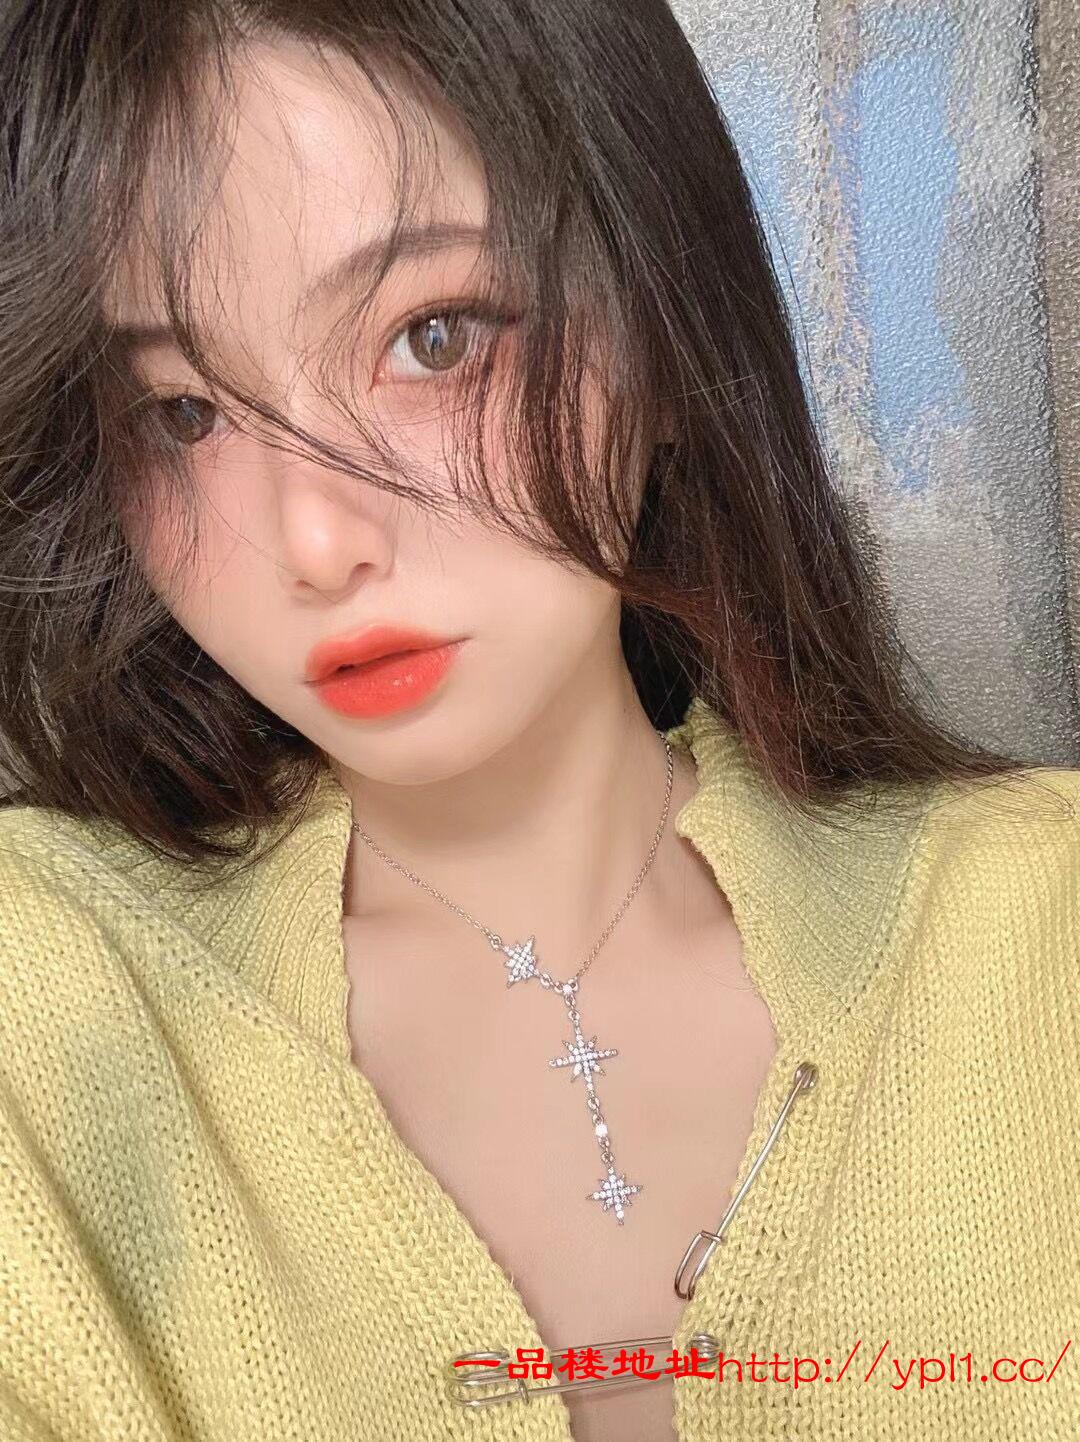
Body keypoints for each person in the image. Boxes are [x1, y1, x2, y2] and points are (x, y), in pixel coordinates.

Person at [0, 3, 1076, 1440]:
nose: (315, 543)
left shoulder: (1038, 922)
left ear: (665, 325)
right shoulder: (45, 1003)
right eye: (183, 414)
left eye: (432, 338)